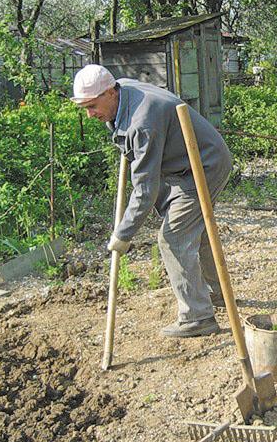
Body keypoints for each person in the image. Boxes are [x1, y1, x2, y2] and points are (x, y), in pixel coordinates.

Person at [71, 64, 233, 338]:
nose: (90, 114)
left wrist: (123, 234)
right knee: (197, 229)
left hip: (203, 165)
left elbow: (145, 189)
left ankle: (198, 317)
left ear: (110, 92)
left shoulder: (142, 123)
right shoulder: (122, 90)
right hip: (185, 164)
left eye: (92, 106)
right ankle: (217, 295)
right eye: (85, 108)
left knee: (173, 238)